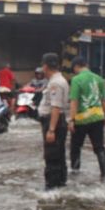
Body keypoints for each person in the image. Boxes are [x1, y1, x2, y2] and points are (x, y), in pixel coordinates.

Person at [68, 56, 105, 179]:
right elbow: (104, 100)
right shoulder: (99, 79)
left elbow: (74, 101)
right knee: (99, 147)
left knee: (75, 147)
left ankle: (75, 173)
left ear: (76, 67)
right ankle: (104, 174)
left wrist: (71, 119)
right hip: (97, 118)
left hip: (81, 119)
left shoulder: (76, 80)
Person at [37, 53, 70, 189]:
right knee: (59, 155)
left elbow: (55, 107)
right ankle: (61, 185)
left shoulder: (56, 82)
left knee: (51, 156)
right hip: (58, 121)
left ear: (45, 66)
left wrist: (51, 130)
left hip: (53, 122)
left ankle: (51, 188)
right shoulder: (58, 80)